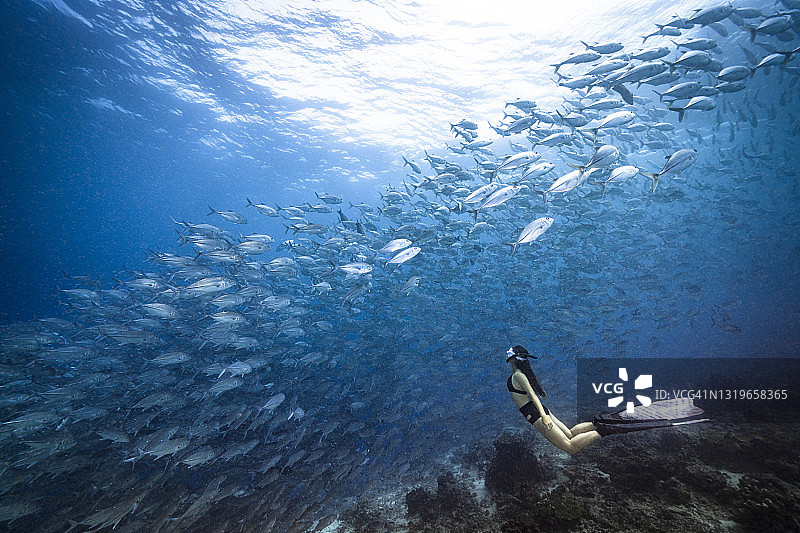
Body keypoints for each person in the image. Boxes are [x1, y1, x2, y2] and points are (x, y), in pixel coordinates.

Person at [506, 345, 708, 454]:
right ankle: (601, 422)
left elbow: (531, 396)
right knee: (570, 432)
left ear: (513, 359)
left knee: (570, 447)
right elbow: (533, 393)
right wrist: (545, 410)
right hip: (541, 410)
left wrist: (544, 417)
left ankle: (604, 429)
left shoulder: (517, 376)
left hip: (537, 414)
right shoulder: (522, 375)